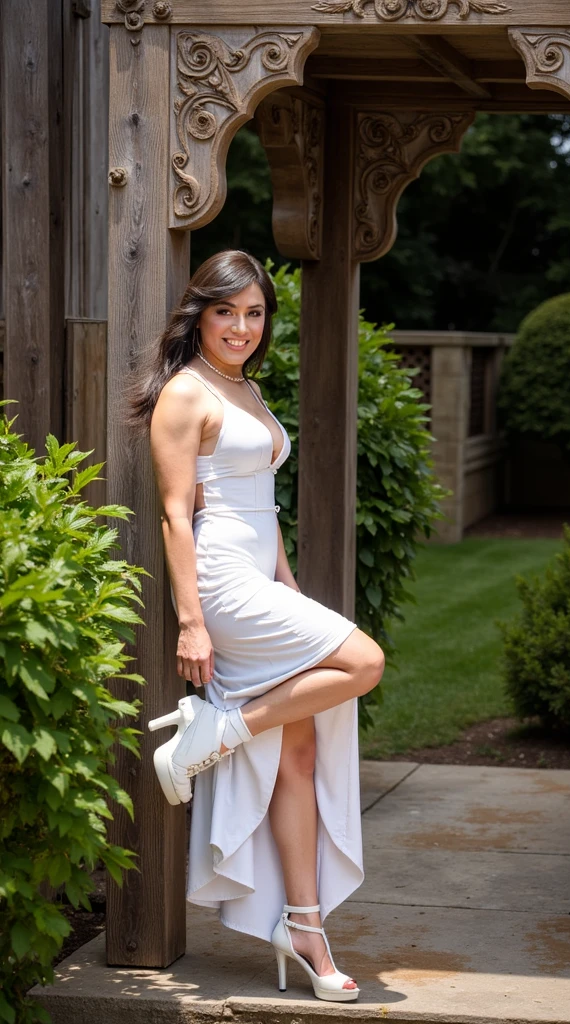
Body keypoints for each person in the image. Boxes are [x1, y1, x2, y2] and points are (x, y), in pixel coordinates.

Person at [127, 250, 384, 1003]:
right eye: (225, 312)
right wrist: (190, 624)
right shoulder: (185, 391)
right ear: (198, 314)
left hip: (260, 578)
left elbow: (259, 505)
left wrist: (292, 588)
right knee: (363, 664)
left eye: (254, 313)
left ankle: (303, 927)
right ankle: (227, 730)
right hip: (219, 584)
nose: (241, 327)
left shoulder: (243, 386)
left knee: (297, 754)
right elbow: (178, 513)